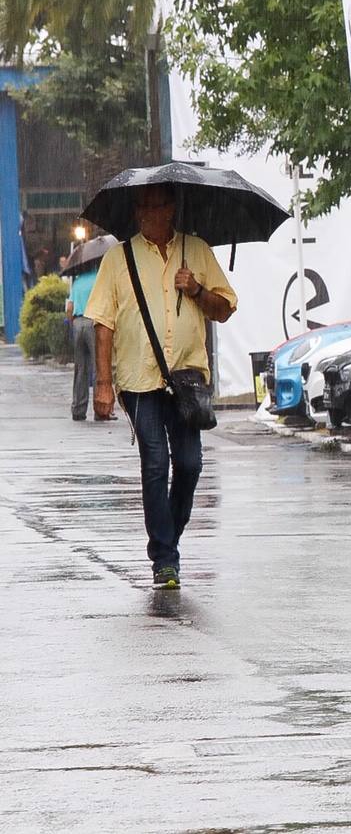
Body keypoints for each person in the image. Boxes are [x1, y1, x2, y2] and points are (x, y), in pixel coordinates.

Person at [84, 184, 237, 590]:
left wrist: (198, 289)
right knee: (155, 462)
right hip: (138, 380)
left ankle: (167, 536)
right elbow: (103, 323)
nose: (147, 214)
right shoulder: (119, 258)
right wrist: (102, 384)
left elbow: (224, 310)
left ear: (171, 209)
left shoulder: (197, 251)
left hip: (186, 380)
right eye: (141, 207)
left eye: (155, 206)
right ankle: (165, 559)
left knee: (189, 465)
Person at [65, 259, 101, 421]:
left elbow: (69, 308)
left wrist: (73, 324)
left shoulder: (78, 281)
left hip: (78, 323)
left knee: (81, 369)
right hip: (94, 322)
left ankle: (78, 410)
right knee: (99, 367)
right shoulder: (100, 279)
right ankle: (101, 410)